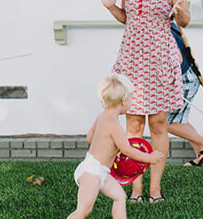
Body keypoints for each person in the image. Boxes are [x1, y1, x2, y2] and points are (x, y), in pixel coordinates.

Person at [94, 0, 190, 203]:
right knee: (133, 126)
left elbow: (184, 20)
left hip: (160, 59)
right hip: (132, 59)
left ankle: (154, 189)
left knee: (158, 126)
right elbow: (129, 19)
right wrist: (111, 6)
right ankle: (136, 188)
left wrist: (180, 11)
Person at [67, 74, 164, 219]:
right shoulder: (114, 125)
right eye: (131, 99)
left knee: (120, 196)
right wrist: (149, 157)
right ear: (124, 102)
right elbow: (127, 150)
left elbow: (89, 138)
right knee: (83, 211)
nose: (131, 103)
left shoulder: (102, 116)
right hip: (91, 173)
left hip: (100, 171)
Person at [166, 22, 203, 167]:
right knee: (181, 121)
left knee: (166, 123)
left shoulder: (164, 31)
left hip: (182, 80)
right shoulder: (172, 26)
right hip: (189, 77)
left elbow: (177, 59)